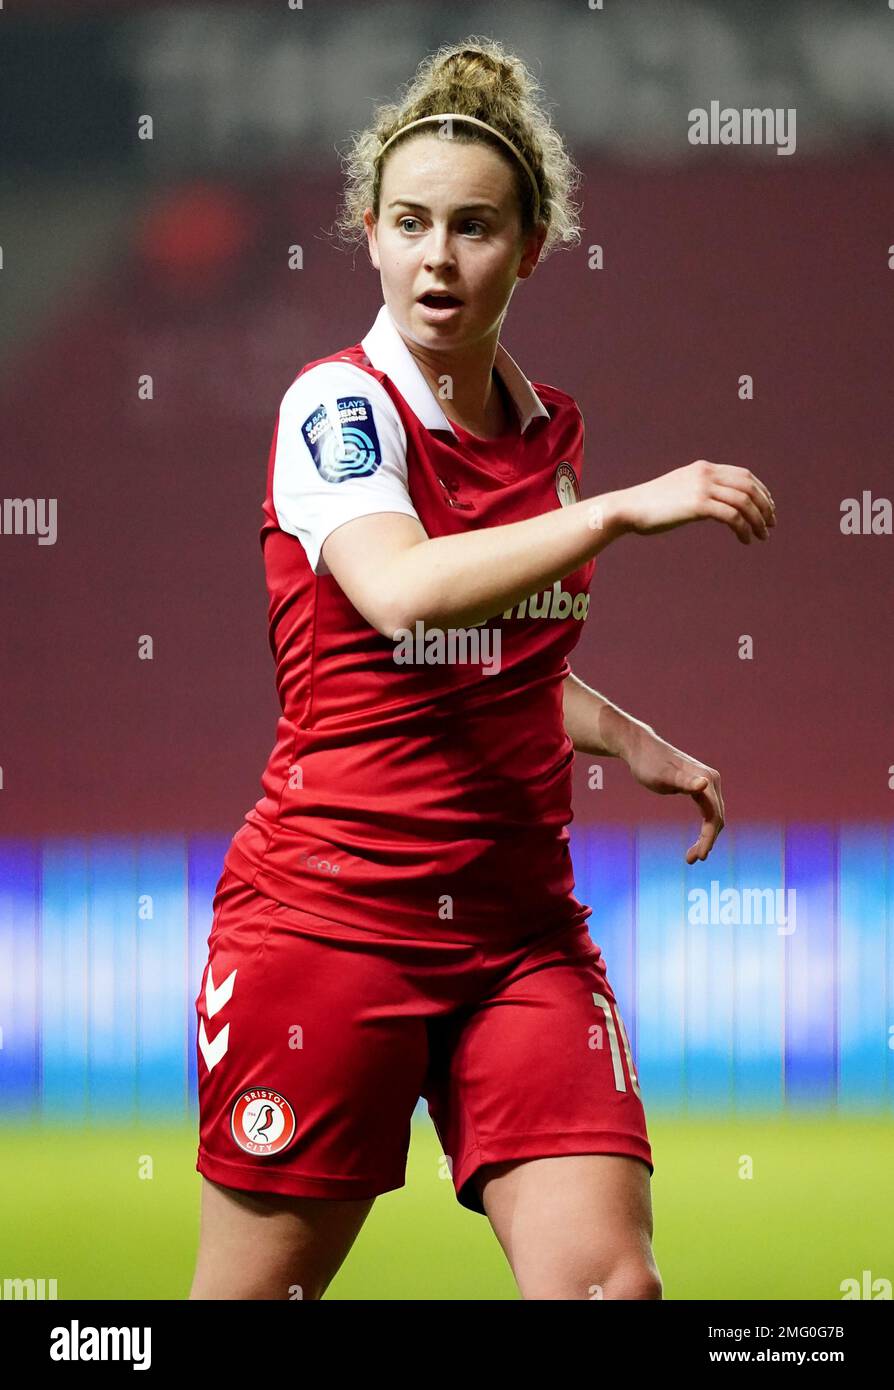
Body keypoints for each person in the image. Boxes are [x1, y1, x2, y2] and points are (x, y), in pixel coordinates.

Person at [189, 38, 775, 1302]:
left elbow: (484, 659)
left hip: (518, 929)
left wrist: (623, 735)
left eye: (473, 227)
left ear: (533, 244)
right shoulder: (337, 410)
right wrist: (620, 511)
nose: (437, 259)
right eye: (409, 223)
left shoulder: (542, 429)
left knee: (613, 1286)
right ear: (368, 231)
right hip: (335, 920)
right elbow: (400, 597)